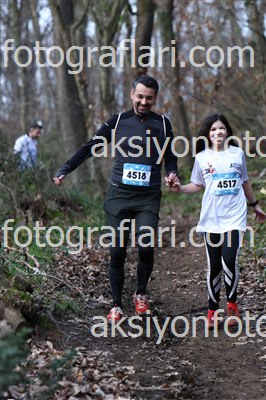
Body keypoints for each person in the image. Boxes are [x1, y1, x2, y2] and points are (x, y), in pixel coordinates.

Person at [53, 75, 179, 322]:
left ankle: (140, 294)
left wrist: (172, 173)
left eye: (149, 98)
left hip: (148, 197)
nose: (143, 102)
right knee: (117, 251)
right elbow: (91, 146)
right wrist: (66, 168)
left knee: (146, 246)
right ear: (132, 94)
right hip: (119, 196)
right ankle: (116, 305)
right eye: (140, 96)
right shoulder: (118, 121)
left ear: (155, 99)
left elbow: (171, 157)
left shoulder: (163, 124)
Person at [171, 113, 266, 328]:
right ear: (207, 133)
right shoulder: (202, 157)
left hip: (235, 216)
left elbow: (245, 181)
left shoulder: (237, 154)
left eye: (221, 128)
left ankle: (232, 306)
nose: (218, 132)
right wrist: (179, 188)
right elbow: (197, 184)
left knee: (229, 260)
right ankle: (212, 310)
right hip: (212, 218)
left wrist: (255, 205)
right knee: (214, 265)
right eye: (213, 129)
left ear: (227, 131)